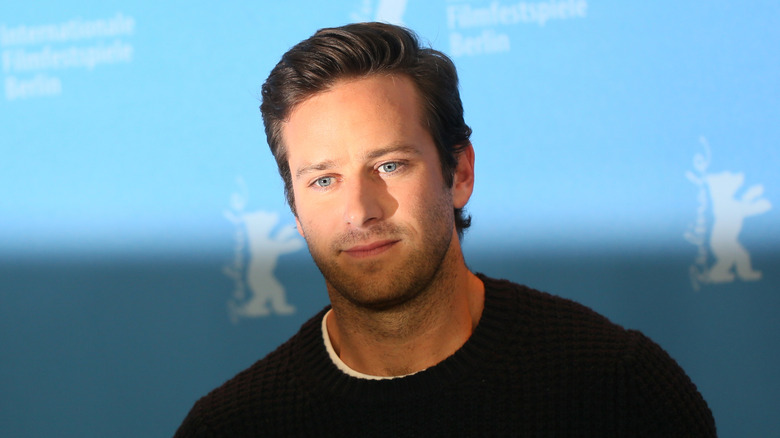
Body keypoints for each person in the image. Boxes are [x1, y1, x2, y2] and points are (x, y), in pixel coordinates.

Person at [175, 22, 716, 437]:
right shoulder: (232, 426)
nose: (359, 210)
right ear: (294, 209)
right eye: (324, 180)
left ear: (459, 173)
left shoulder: (620, 389)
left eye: (389, 166)